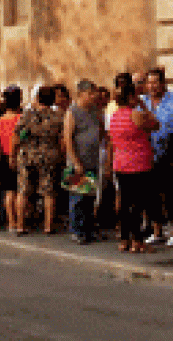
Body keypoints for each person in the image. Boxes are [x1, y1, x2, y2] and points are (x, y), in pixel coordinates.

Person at [107, 82, 158, 252]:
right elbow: (156, 124)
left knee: (124, 202)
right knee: (137, 203)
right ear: (130, 98)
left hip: (120, 163)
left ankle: (124, 239)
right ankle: (137, 240)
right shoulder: (136, 115)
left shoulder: (114, 116)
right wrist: (144, 106)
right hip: (138, 164)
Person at [142, 67, 173, 247]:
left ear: (163, 83)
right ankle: (157, 231)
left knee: (170, 195)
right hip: (147, 154)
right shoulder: (142, 102)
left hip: (169, 153)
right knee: (151, 195)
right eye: (149, 82)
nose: (152, 86)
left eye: (155, 82)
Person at [15, 86, 64, 235]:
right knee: (48, 192)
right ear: (53, 99)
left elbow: (17, 134)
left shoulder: (27, 114)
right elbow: (62, 139)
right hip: (49, 155)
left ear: (38, 98)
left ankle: (20, 226)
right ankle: (48, 226)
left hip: (28, 155)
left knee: (23, 190)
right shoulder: (58, 116)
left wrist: (13, 154)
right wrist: (60, 154)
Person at [64, 80, 103, 245]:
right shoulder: (72, 112)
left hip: (92, 160)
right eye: (90, 93)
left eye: (94, 93)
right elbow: (67, 138)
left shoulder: (95, 111)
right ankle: (77, 231)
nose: (94, 96)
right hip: (77, 162)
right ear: (81, 94)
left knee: (89, 197)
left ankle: (88, 229)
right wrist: (75, 161)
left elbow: (100, 131)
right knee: (77, 198)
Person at [0, 86, 23, 232]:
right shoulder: (20, 119)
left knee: (9, 191)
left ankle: (11, 222)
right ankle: (20, 222)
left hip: (4, 157)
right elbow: (19, 139)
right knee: (20, 191)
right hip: (18, 156)